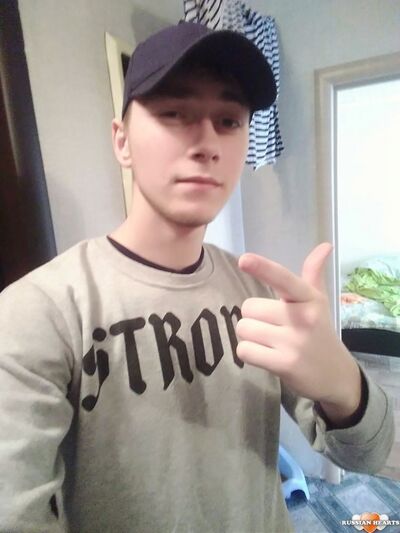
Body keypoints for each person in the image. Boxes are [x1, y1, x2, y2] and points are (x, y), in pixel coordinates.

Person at [0, 21, 394, 533]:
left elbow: (367, 455)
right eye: (174, 113)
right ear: (122, 141)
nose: (207, 143)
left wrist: (343, 384)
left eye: (228, 120)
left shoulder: (256, 293)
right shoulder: (38, 313)